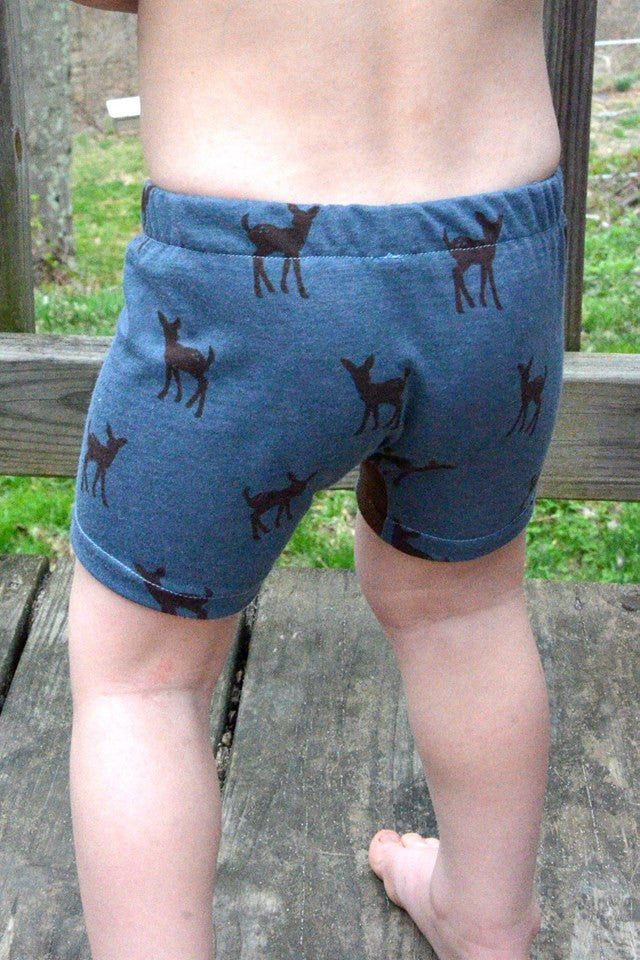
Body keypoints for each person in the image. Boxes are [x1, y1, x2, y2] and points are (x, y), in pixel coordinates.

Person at [66, 1, 568, 958]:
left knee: (143, 680)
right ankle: (488, 922)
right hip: (496, 251)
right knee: (463, 609)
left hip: (244, 265)